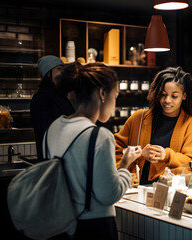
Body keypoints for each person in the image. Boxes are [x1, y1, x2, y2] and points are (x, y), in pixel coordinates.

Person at [45, 62, 141, 240]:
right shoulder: (100, 135)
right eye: (115, 96)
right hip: (93, 227)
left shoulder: (53, 127)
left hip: (61, 225)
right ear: (103, 94)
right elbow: (109, 195)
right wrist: (125, 166)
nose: (114, 105)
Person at [114, 66, 192, 185]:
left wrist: (167, 155)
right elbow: (115, 149)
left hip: (167, 191)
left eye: (174, 96)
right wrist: (139, 154)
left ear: (184, 96)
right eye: (163, 94)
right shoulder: (139, 117)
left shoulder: (190, 124)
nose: (167, 100)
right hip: (134, 189)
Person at [30, 55, 75, 160]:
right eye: (59, 69)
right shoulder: (40, 99)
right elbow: (48, 131)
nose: (63, 73)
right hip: (51, 160)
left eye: (64, 69)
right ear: (48, 73)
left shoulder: (65, 96)